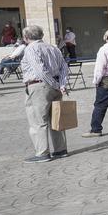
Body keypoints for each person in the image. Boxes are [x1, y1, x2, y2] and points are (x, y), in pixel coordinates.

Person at [19, 25, 69, 163]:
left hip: (39, 85)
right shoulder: (53, 47)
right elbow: (64, 67)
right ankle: (60, 149)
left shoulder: (31, 48)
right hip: (55, 85)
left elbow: (40, 70)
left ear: (26, 37)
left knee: (38, 121)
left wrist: (53, 84)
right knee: (56, 118)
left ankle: (42, 153)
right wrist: (62, 85)